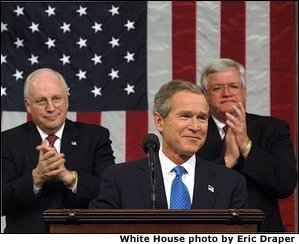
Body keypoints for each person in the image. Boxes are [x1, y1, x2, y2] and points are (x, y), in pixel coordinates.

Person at [89, 80, 247, 210]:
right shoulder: (120, 179)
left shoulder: (230, 183)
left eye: (202, 118)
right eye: (185, 116)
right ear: (159, 122)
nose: (195, 126)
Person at [1, 68, 115, 233]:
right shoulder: (7, 142)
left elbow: (110, 193)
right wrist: (35, 179)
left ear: (67, 100)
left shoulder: (96, 137)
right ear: (28, 105)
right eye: (41, 101)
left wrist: (71, 178)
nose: (51, 107)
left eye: (56, 99)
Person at [196, 58, 298, 232]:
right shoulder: (193, 132)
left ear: (244, 92)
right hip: (210, 233)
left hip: (263, 233)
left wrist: (246, 145)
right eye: (217, 88)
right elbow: (188, 189)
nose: (227, 93)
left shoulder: (273, 129)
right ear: (205, 96)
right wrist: (227, 160)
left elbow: (285, 184)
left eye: (234, 86)